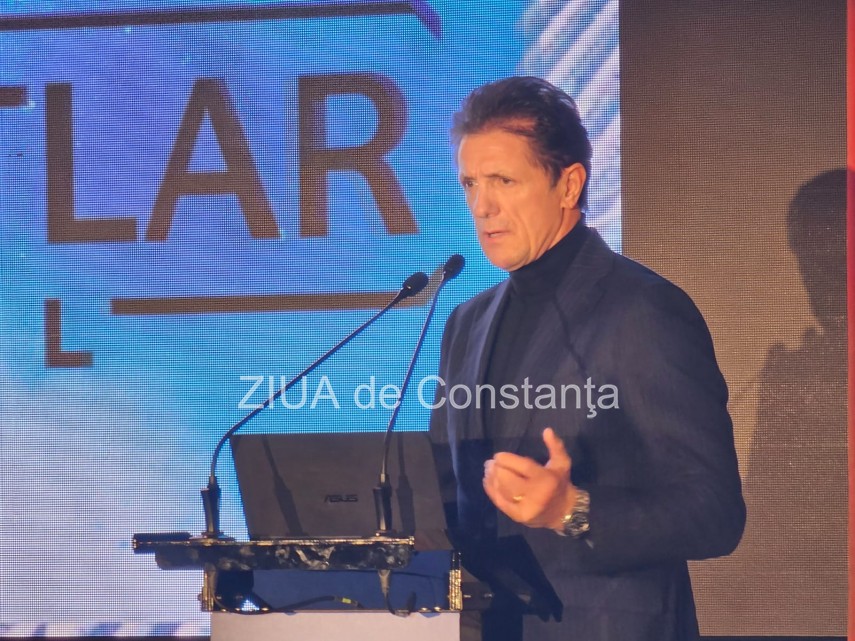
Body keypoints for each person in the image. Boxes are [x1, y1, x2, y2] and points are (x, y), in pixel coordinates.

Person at [428, 76, 745, 641]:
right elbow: (448, 497)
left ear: (569, 184)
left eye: (503, 180)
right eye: (470, 183)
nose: (481, 206)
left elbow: (714, 512)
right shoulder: (465, 323)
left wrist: (571, 511)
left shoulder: (642, 309)